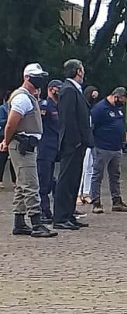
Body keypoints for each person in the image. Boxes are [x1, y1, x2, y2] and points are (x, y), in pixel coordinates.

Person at [0, 63, 58, 237]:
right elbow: (11, 123)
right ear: (27, 77)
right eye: (36, 76)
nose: (39, 79)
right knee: (31, 184)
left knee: (21, 185)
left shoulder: (29, 96)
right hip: (22, 145)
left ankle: (19, 222)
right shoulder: (22, 98)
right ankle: (36, 223)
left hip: (26, 144)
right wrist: (6, 140)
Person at [53, 59, 93, 231]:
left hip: (78, 142)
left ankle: (69, 214)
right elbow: (68, 119)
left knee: (74, 179)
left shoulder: (75, 90)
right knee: (66, 179)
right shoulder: (69, 90)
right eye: (82, 69)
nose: (83, 73)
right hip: (72, 143)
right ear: (78, 71)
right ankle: (60, 217)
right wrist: (75, 141)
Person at [89, 87, 127, 214]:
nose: (122, 104)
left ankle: (117, 201)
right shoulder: (100, 108)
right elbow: (91, 126)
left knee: (115, 176)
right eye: (122, 101)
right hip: (102, 147)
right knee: (97, 175)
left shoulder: (118, 109)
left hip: (116, 148)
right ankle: (96, 202)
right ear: (116, 96)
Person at [37, 80, 62, 223]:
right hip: (44, 148)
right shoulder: (44, 106)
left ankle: (47, 210)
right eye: (58, 89)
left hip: (54, 149)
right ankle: (42, 211)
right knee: (43, 181)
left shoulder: (58, 107)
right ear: (52, 89)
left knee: (50, 179)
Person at [78, 85, 100, 204]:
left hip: (92, 140)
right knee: (83, 166)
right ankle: (77, 193)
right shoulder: (83, 108)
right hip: (83, 140)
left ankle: (86, 192)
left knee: (90, 166)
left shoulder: (94, 109)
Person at [0, 90, 17, 189]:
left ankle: (15, 180)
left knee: (13, 160)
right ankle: (0, 180)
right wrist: (10, 119)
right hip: (3, 135)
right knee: (2, 159)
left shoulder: (15, 108)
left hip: (14, 135)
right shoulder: (3, 108)